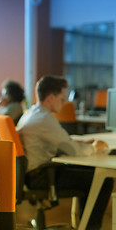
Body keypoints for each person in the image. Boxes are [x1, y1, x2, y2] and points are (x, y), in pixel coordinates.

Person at [17, 75, 113, 230]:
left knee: (89, 173)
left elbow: (62, 140)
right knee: (103, 180)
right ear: (50, 97)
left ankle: (83, 224)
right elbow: (72, 150)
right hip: (42, 176)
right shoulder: (45, 119)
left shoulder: (32, 112)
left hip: (32, 173)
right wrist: (95, 146)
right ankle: (89, 227)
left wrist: (81, 142)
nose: (64, 103)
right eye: (62, 99)